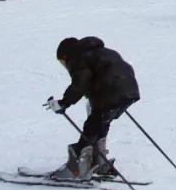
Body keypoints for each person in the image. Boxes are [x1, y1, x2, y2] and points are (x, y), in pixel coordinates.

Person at [45, 36, 141, 181]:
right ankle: (100, 162)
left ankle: (77, 168)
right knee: (101, 122)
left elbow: (80, 84)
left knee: (92, 125)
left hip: (111, 91)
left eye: (62, 62)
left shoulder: (77, 57)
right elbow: (100, 76)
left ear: (66, 55)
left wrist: (64, 102)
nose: (64, 66)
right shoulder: (100, 52)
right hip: (130, 91)